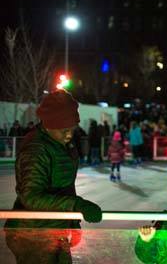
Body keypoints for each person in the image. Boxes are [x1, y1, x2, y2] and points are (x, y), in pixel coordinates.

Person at [4, 90, 102, 264]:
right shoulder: (36, 150)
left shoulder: (61, 143)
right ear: (49, 125)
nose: (70, 135)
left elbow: (65, 187)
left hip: (56, 230)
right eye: (64, 130)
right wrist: (76, 205)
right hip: (34, 235)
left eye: (73, 128)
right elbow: (31, 197)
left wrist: (72, 223)